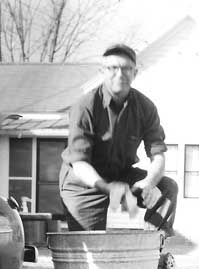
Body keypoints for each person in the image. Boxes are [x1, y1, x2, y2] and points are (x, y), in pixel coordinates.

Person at [59, 43, 177, 234]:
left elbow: (158, 156)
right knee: (91, 252)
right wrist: (106, 187)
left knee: (167, 188)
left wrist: (148, 183)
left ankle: (154, 251)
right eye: (113, 68)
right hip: (83, 183)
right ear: (102, 72)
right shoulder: (85, 106)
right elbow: (80, 164)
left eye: (126, 68)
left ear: (135, 72)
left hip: (120, 175)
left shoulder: (146, 108)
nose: (120, 74)